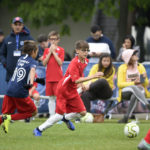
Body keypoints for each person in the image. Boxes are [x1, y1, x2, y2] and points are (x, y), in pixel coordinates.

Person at [33, 40, 103, 136]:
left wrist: (82, 83)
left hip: (72, 90)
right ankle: (39, 129)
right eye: (83, 50)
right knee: (58, 115)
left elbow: (80, 73)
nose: (86, 52)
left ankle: (66, 118)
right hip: (63, 90)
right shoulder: (73, 63)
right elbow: (75, 80)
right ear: (77, 51)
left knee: (82, 112)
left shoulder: (86, 61)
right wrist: (92, 76)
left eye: (87, 50)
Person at [0, 40, 38, 133]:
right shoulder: (32, 61)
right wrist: (31, 83)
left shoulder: (20, 58)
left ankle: (6, 121)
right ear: (33, 52)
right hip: (20, 91)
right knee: (33, 112)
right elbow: (32, 71)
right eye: (36, 52)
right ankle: (8, 118)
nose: (37, 54)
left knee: (5, 113)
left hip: (10, 88)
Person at [117, 49, 150, 123]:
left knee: (135, 94)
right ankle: (146, 103)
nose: (136, 56)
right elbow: (119, 84)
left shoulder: (140, 66)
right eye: (134, 54)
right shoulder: (122, 68)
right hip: (125, 92)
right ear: (129, 57)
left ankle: (126, 117)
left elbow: (145, 84)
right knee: (134, 87)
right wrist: (133, 83)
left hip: (140, 92)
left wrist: (143, 78)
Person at [0, 17, 34, 82]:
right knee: (11, 91)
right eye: (16, 24)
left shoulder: (28, 38)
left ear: (22, 26)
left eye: (19, 25)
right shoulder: (7, 39)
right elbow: (1, 53)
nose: (17, 27)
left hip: (24, 72)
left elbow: (34, 51)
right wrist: (5, 63)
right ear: (12, 25)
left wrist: (29, 63)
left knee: (23, 91)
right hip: (11, 73)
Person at [42, 31, 65, 117]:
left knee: (59, 98)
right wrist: (50, 52)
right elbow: (44, 63)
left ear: (58, 40)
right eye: (51, 39)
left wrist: (54, 52)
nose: (53, 41)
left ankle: (59, 116)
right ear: (48, 40)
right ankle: (52, 116)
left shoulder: (61, 50)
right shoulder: (46, 50)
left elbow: (60, 63)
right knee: (51, 98)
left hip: (58, 78)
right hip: (49, 78)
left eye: (55, 39)